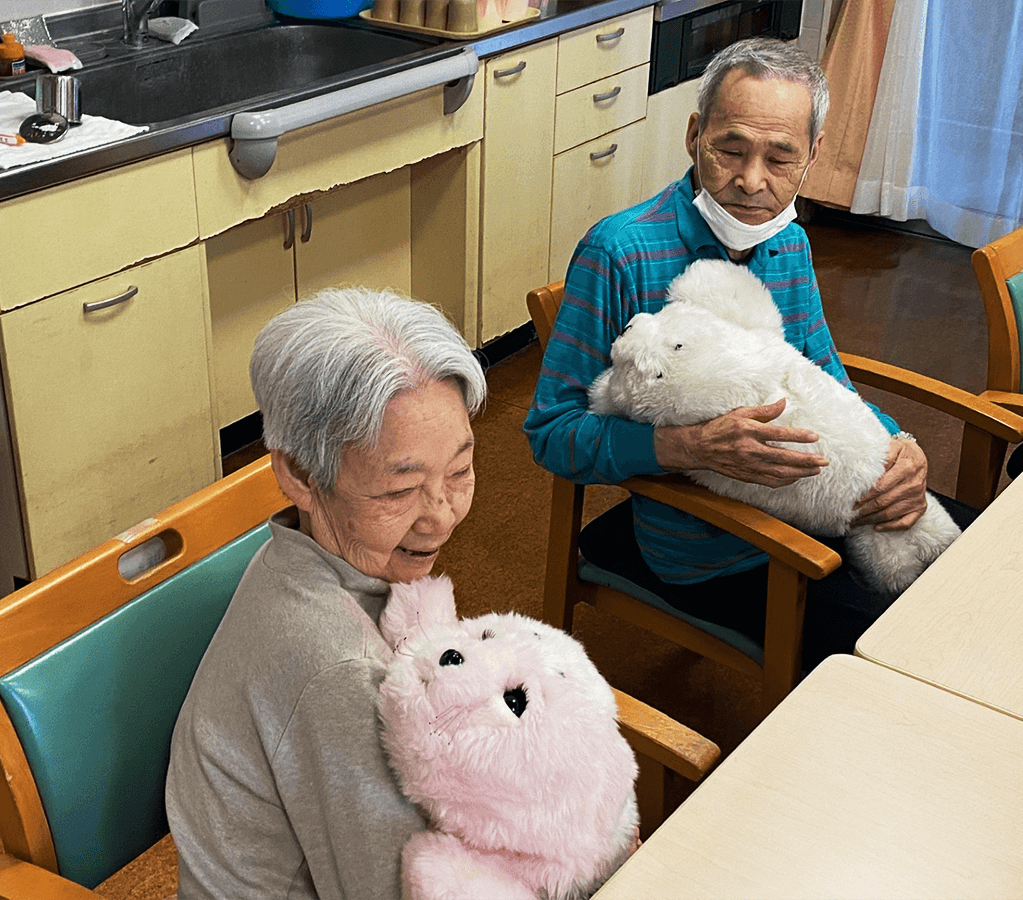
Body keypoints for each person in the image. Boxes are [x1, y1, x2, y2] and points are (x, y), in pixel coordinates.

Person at [525, 37, 972, 665]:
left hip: (818, 498)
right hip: (715, 545)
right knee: (904, 655)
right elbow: (551, 432)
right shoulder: (618, 252)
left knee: (985, 568)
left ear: (813, 156)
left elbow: (824, 375)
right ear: (693, 135)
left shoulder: (788, 244)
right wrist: (689, 448)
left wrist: (901, 450)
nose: (751, 182)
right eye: (729, 149)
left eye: (780, 158)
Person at [167, 287, 488, 899]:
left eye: (460, 471)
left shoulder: (340, 566)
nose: (442, 516)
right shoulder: (341, 668)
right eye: (400, 492)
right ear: (301, 475)